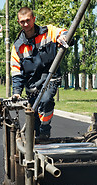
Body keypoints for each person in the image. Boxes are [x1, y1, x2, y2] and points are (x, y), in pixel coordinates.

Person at [11, 6, 68, 139]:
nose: (26, 24)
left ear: (34, 19)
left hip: (50, 78)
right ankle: (36, 136)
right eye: (22, 22)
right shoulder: (18, 47)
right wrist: (17, 93)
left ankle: (45, 129)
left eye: (28, 20)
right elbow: (16, 72)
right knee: (33, 116)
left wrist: (63, 38)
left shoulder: (49, 32)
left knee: (46, 100)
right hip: (32, 86)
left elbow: (64, 33)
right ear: (19, 22)